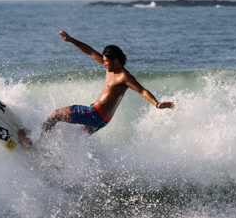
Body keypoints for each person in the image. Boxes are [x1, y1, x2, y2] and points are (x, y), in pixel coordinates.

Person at [18, 31, 174, 148]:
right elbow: (90, 51)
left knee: (56, 114)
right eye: (104, 61)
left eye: (107, 61)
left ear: (116, 60)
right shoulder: (110, 69)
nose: (104, 64)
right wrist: (71, 40)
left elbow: (142, 90)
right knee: (77, 138)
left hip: (94, 114)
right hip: (102, 121)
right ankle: (57, 158)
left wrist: (157, 103)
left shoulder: (124, 77)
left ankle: (32, 140)